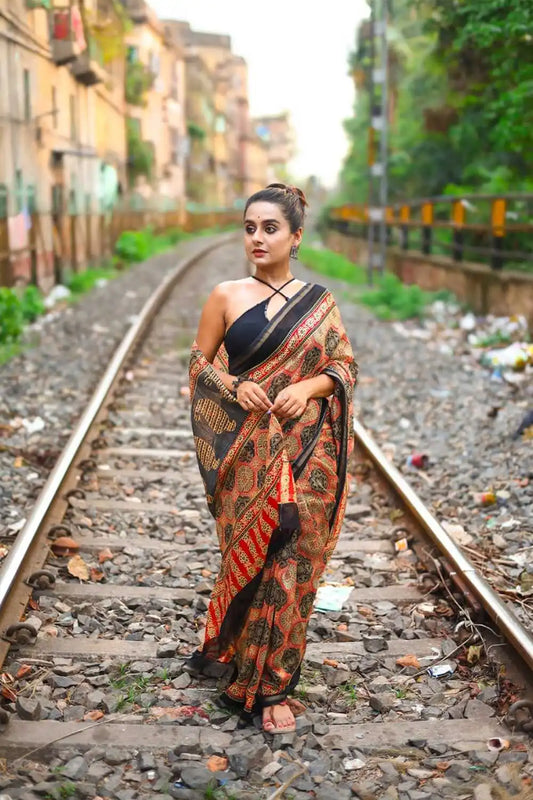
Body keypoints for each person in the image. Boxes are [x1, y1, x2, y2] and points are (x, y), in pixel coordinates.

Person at [187, 183, 357, 733]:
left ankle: (273, 686)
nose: (257, 238)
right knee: (255, 554)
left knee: (294, 560)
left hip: (310, 450)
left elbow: (344, 368)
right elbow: (198, 366)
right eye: (249, 228)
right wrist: (235, 387)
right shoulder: (225, 295)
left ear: (295, 236)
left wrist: (307, 387)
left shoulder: (320, 302)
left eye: (270, 228)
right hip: (248, 454)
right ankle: (239, 657)